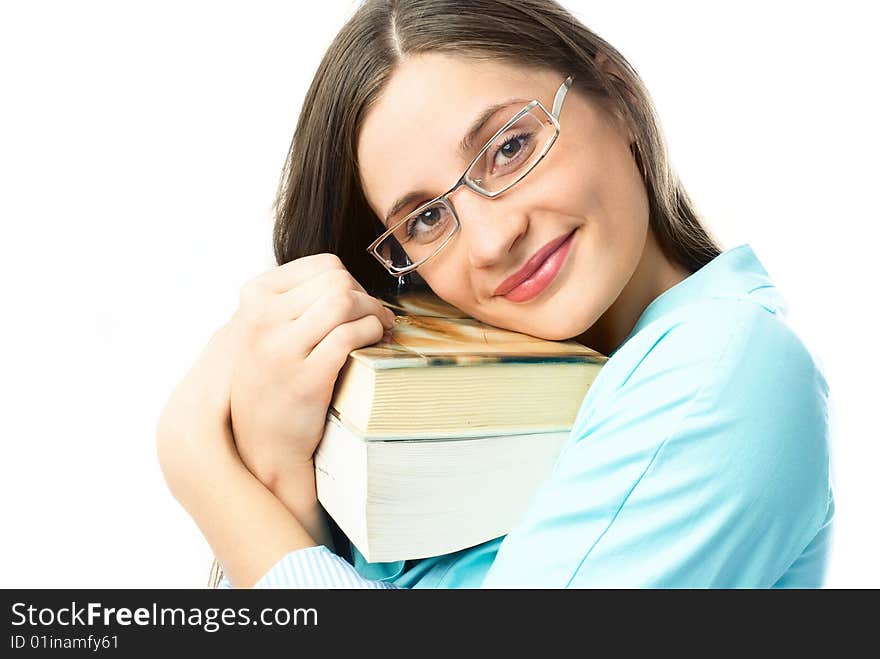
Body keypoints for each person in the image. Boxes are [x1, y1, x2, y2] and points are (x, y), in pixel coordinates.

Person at [156, 0, 834, 588]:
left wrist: (202, 462)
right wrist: (284, 479)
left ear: (619, 95)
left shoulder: (727, 367)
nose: (490, 240)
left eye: (509, 147)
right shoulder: (430, 430)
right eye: (425, 219)